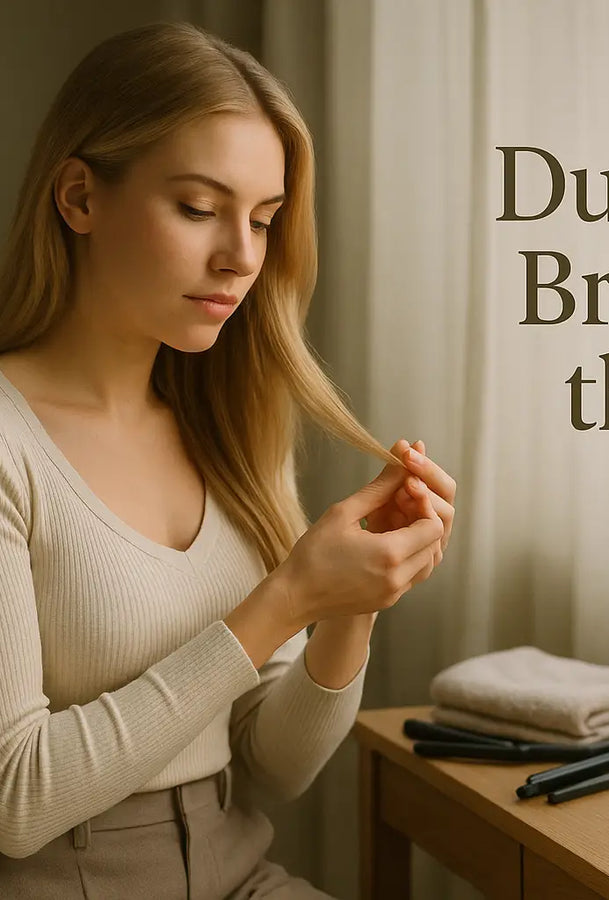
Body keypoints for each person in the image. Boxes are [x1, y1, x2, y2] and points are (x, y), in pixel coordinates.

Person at [0, 19, 455, 900]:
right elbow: (16, 798)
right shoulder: (11, 445)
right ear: (80, 198)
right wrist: (286, 600)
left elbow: (274, 764)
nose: (242, 257)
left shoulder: (232, 430)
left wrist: (349, 606)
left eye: (264, 220)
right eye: (200, 209)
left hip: (238, 873)